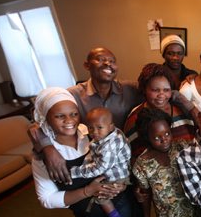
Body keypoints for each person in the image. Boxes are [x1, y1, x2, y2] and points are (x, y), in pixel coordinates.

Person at [31, 87, 136, 217]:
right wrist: (88, 191)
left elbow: (119, 156)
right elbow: (46, 199)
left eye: (73, 114)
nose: (69, 120)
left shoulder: (90, 131)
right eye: (59, 116)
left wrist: (122, 184)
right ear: (46, 118)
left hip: (120, 203)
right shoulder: (44, 155)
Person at [28, 47, 144, 184]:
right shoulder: (73, 94)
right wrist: (48, 148)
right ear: (87, 65)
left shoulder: (129, 88)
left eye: (112, 61)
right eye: (101, 59)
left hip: (126, 156)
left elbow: (156, 91)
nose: (108, 64)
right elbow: (36, 125)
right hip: (96, 159)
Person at [70, 107, 131, 217]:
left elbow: (99, 169)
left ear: (110, 126)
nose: (94, 132)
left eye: (99, 128)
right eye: (91, 128)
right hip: (119, 169)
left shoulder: (108, 147)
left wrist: (75, 172)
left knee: (102, 197)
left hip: (116, 176)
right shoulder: (114, 133)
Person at [124, 63, 195, 160]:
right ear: (144, 89)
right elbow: (133, 155)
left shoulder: (182, 110)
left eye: (166, 90)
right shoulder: (135, 118)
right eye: (155, 90)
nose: (161, 95)